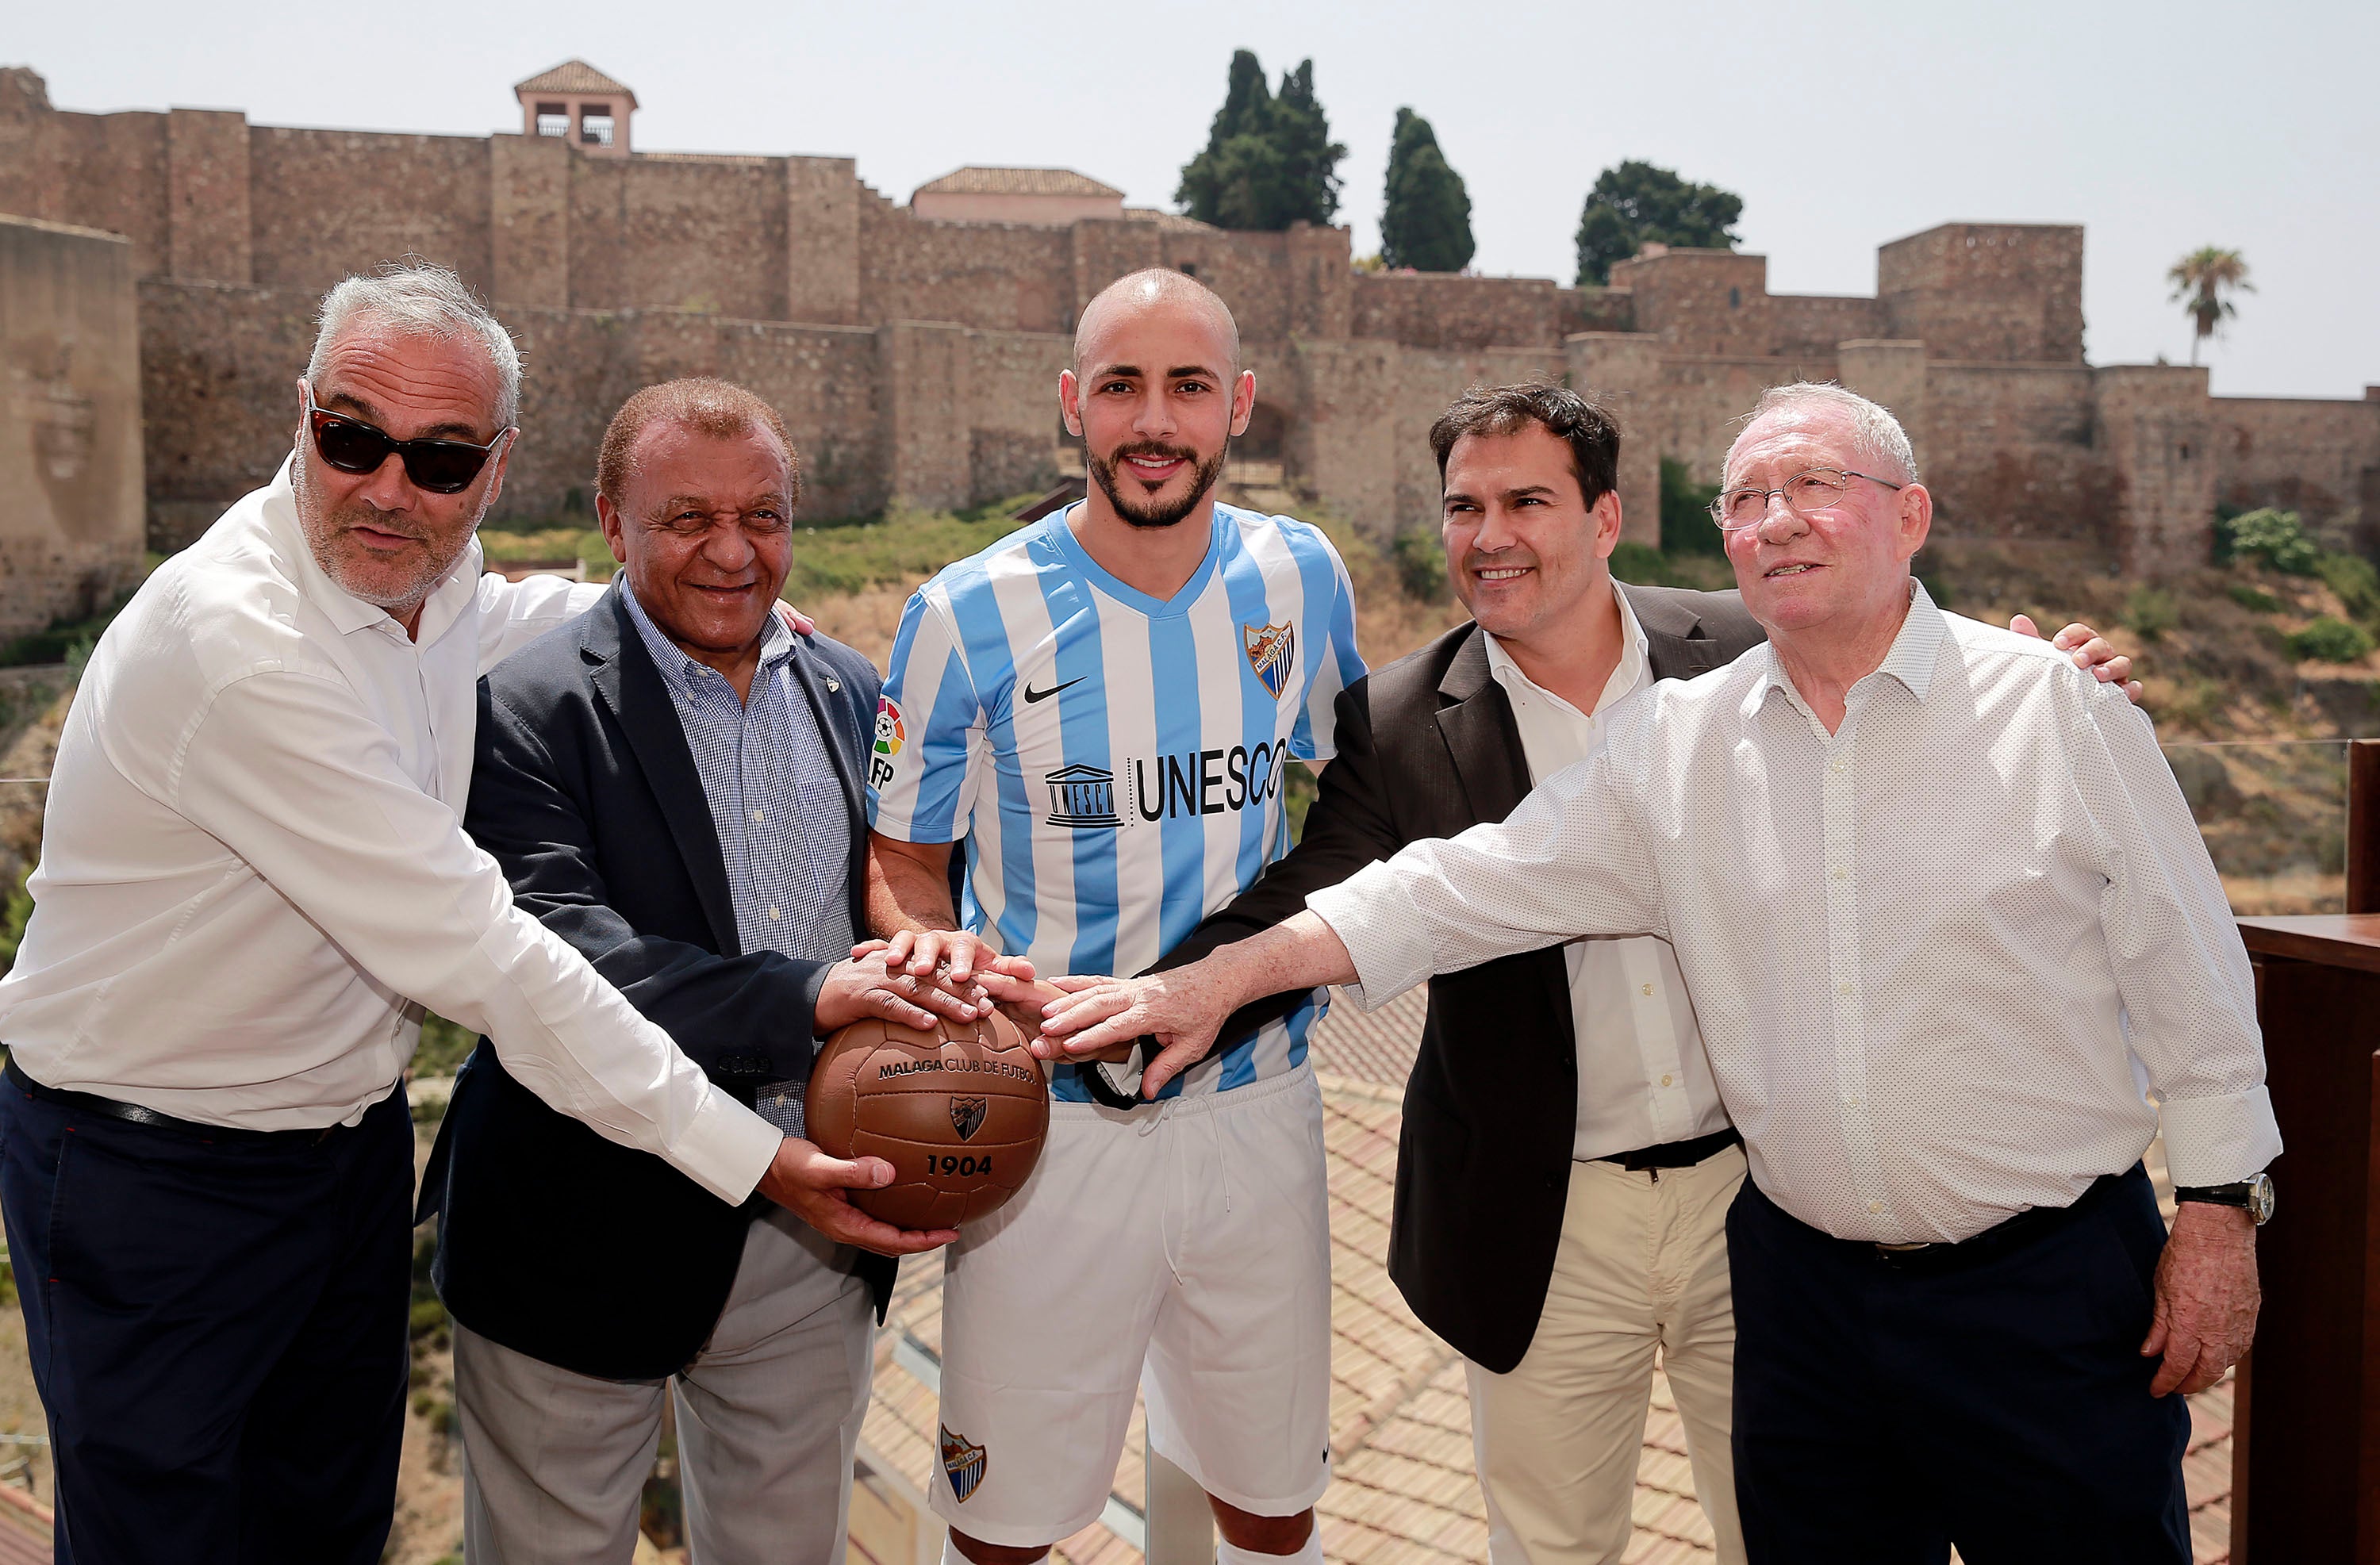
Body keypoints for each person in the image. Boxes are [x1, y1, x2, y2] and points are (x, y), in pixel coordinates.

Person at [1041, 382, 2274, 1564]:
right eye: (1747, 499)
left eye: (1814, 485)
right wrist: (1210, 982)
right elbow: (1450, 887)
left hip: (2042, 1291)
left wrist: (2220, 1208)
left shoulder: (2054, 708)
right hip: (1805, 1299)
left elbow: (2192, 974)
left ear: (1911, 512)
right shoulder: (1680, 746)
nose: (1777, 519)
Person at [0, 266, 902, 1565]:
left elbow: (521, 608)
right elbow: (492, 957)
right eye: (353, 438)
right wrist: (756, 1156)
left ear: (494, 466)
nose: (388, 486)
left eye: (439, 458)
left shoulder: (434, 585)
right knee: (163, 1539)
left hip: (343, 1151)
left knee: (325, 1526)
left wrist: (707, 582)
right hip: (152, 1168)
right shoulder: (239, 644)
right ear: (303, 417)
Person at [420, 378, 1022, 1563]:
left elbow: (902, 879)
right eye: (688, 518)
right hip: (573, 1235)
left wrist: (936, 946)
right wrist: (808, 999)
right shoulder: (522, 712)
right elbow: (565, 955)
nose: (733, 551)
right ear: (612, 522)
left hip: (807, 1250)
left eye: (764, 514)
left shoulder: (856, 693)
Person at [863, 269, 1364, 1565]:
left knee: (1271, 1507)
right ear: (1073, 406)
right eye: (1124, 387)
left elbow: (1358, 796)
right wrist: (935, 944)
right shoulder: (962, 612)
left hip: (1259, 1104)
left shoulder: (1298, 576)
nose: (1157, 419)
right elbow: (904, 862)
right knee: (1007, 1527)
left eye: (1189, 386)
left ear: (1238, 405)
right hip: (1048, 1135)